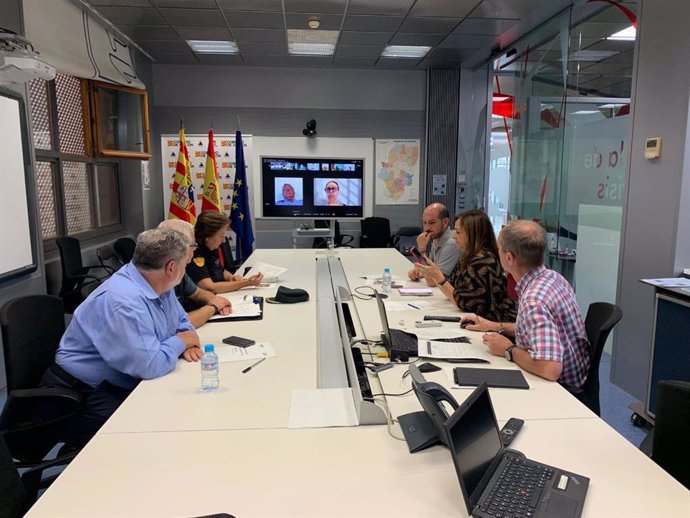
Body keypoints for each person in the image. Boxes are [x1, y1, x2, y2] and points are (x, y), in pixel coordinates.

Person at [39, 229, 203, 447]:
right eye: (184, 265)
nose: (185, 270)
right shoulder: (123, 302)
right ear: (171, 268)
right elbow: (151, 365)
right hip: (82, 392)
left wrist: (183, 338)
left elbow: (181, 321)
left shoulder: (158, 282)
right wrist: (183, 341)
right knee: (155, 431)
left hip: (122, 377)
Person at [465, 220, 591, 388]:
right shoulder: (553, 277)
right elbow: (539, 330)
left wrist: (508, 350)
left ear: (509, 257)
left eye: (499, 249)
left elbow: (549, 368)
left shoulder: (534, 300)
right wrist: (496, 326)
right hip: (575, 376)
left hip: (559, 390)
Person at [414, 209, 517, 322]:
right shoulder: (468, 256)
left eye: (458, 232)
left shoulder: (483, 262)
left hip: (493, 324)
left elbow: (465, 303)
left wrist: (438, 277)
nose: (454, 237)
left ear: (472, 234)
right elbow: (454, 287)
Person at [158, 219, 232, 327]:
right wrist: (213, 307)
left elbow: (197, 293)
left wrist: (216, 300)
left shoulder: (178, 269)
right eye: (193, 245)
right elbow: (175, 324)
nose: (195, 250)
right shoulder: (158, 275)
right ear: (179, 248)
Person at [187, 210, 263, 293]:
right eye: (221, 236)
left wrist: (231, 277)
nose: (223, 241)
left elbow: (219, 270)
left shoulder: (211, 246)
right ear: (207, 236)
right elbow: (209, 287)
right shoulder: (194, 252)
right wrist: (246, 283)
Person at [407, 203, 460, 285]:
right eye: (425, 223)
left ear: (445, 222)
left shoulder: (452, 244)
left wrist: (422, 250)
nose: (427, 228)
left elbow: (433, 281)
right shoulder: (436, 239)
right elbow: (430, 270)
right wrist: (419, 273)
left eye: (432, 223)